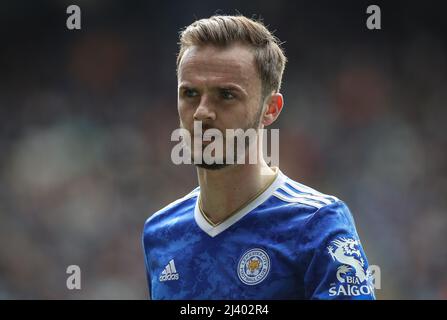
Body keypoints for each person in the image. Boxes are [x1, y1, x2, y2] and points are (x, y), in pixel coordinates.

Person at [142, 15, 375, 300]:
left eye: (226, 95)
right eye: (190, 93)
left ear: (271, 109)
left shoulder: (317, 224)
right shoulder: (160, 233)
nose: (202, 112)